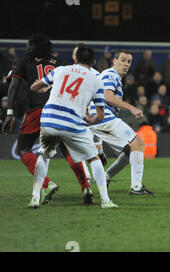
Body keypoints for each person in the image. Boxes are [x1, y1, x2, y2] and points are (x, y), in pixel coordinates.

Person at [1, 34, 93, 204]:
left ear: (33, 47)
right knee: (68, 151)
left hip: (36, 112)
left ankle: (47, 184)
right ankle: (86, 186)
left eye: (29, 46)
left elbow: (13, 85)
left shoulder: (25, 61)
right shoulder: (58, 64)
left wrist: (9, 114)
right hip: (58, 112)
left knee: (24, 149)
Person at [28, 44, 117, 209]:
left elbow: (35, 87)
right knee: (93, 158)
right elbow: (100, 114)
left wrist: (40, 88)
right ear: (94, 62)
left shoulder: (61, 69)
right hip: (72, 123)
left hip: (49, 120)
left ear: (75, 58)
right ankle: (105, 200)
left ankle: (35, 197)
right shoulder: (96, 80)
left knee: (44, 156)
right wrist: (92, 120)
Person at [88, 50, 154, 195]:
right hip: (103, 117)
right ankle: (136, 187)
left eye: (129, 62)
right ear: (114, 61)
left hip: (97, 119)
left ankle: (105, 177)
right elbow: (107, 96)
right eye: (123, 60)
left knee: (129, 149)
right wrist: (131, 108)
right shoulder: (111, 75)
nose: (126, 64)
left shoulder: (113, 76)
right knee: (138, 144)